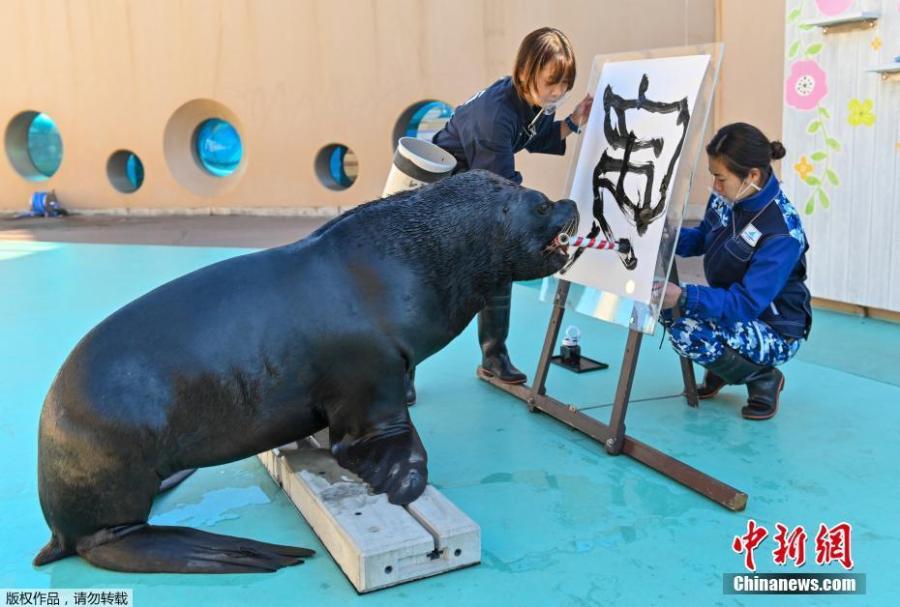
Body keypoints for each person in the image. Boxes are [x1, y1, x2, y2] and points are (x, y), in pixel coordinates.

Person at [417, 27, 592, 396]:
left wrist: (575, 121)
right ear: (527, 71)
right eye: (552, 82)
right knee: (433, 290)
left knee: (498, 268)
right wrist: (546, 221)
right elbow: (501, 192)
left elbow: (541, 135)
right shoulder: (494, 115)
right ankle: (400, 374)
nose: (558, 92)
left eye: (565, 84)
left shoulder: (527, 99)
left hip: (472, 194)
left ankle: (493, 356)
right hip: (435, 202)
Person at [660, 122, 812, 421]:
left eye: (721, 178)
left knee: (688, 330)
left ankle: (763, 378)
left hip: (774, 328)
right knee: (666, 309)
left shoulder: (782, 231)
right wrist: (667, 236)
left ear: (752, 175)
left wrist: (685, 295)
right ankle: (725, 365)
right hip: (737, 310)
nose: (715, 187)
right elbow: (704, 235)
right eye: (713, 176)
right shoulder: (729, 196)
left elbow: (745, 303)